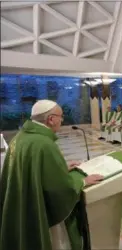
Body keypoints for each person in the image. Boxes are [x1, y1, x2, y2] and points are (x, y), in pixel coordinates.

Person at [0, 100, 103, 250]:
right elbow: (59, 189)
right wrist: (82, 181)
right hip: (38, 210)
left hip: (22, 202)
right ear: (51, 119)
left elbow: (31, 170)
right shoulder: (44, 144)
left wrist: (60, 168)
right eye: (61, 117)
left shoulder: (20, 138)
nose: (62, 120)